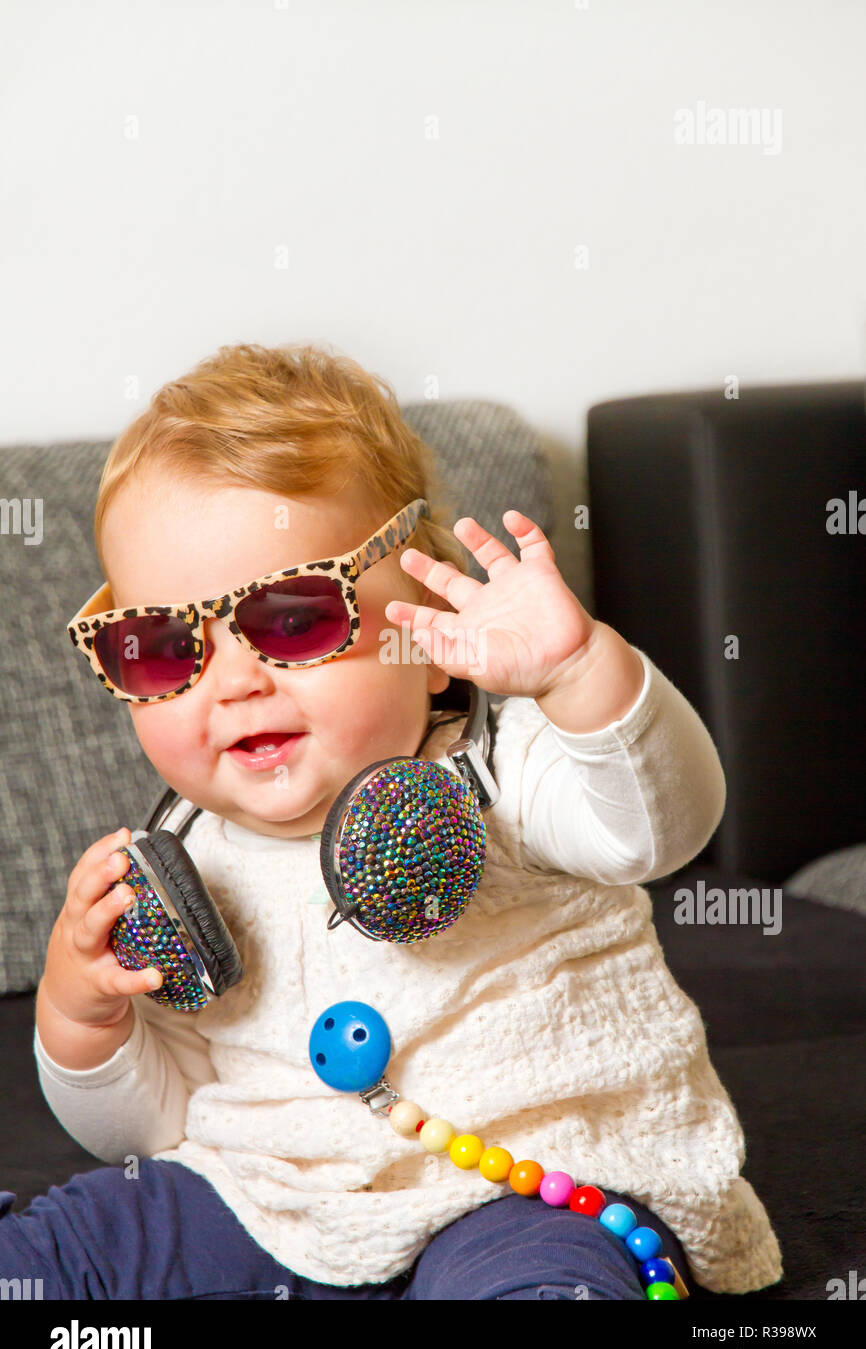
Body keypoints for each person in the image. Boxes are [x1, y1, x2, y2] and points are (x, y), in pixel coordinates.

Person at [1, 342, 783, 1300]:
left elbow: (665, 825)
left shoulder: (504, 772)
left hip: (523, 1189)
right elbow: (162, 1126)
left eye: (294, 619)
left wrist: (583, 675)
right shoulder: (180, 869)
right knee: (78, 1241)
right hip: (276, 1198)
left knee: (542, 1282)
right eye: (163, 647)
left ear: (432, 634)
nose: (237, 683)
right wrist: (85, 1019)